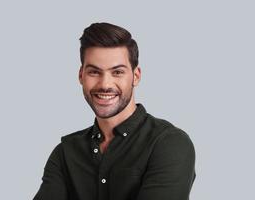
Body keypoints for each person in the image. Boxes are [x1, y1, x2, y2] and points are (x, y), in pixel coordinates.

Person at [33, 22, 196, 200]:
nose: (105, 84)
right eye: (94, 72)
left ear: (136, 76)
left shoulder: (169, 144)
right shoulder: (65, 152)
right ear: (81, 76)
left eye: (117, 72)